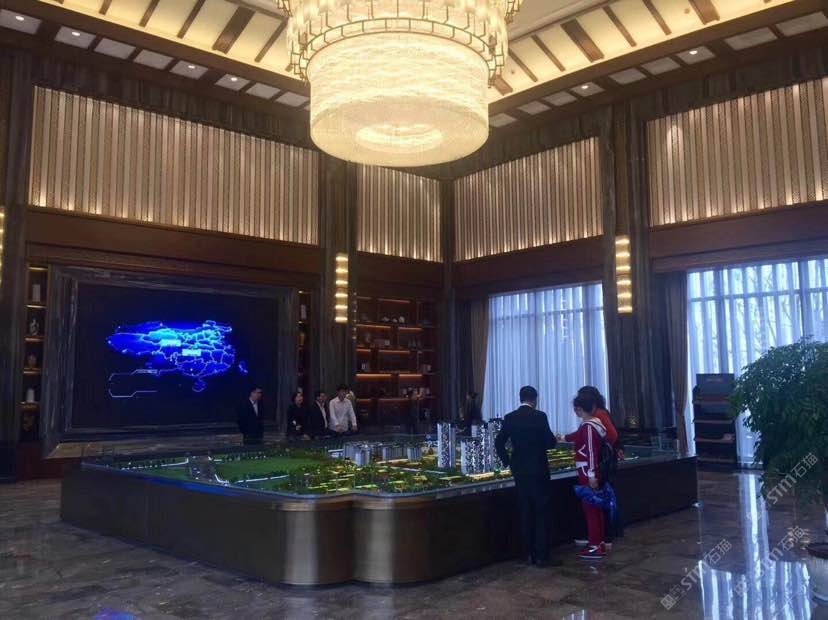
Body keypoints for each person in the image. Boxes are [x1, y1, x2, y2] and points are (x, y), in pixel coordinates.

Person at [495, 386, 557, 567]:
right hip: (538, 470)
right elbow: (550, 442)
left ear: (520, 398)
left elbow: (499, 442)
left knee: (525, 511)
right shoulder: (540, 416)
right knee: (541, 512)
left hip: (519, 471)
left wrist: (508, 462)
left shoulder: (510, 417)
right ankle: (542, 555)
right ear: (535, 399)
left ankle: (527, 553)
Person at [565, 393, 608, 560]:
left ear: (579, 409)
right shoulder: (595, 424)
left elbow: (590, 451)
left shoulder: (588, 427)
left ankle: (594, 546)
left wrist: (591, 474)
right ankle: (599, 542)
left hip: (587, 472)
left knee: (590, 509)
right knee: (596, 507)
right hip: (592, 471)